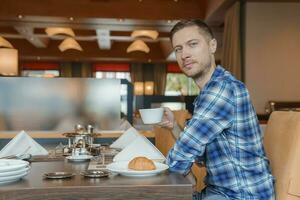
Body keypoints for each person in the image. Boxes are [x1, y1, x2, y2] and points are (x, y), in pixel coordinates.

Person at [159, 19, 275, 200]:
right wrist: (174, 126)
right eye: (178, 49)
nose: (184, 54)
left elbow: (184, 152)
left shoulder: (222, 89)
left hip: (242, 195)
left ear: (212, 45)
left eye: (192, 44)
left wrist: (161, 170)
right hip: (222, 193)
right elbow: (201, 158)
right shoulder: (208, 93)